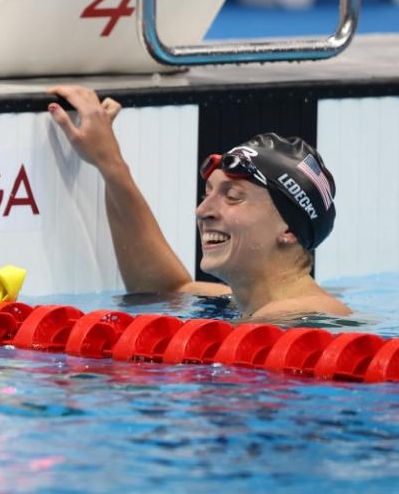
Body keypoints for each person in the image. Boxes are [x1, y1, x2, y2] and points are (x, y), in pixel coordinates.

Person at [46, 85, 350, 320]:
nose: (202, 211)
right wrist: (109, 163)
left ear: (290, 230)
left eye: (232, 197)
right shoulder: (244, 303)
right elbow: (163, 290)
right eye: (208, 194)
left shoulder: (296, 315)